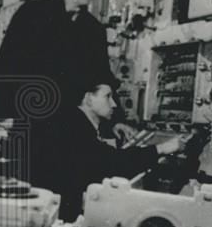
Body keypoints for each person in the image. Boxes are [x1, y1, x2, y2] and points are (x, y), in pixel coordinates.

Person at [0, 0, 136, 198]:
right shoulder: (32, 14)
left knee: (63, 192)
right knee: (26, 193)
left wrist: (117, 117)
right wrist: (5, 115)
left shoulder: (94, 30)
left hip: (70, 128)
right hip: (30, 122)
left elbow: (102, 76)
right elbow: (7, 66)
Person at [70, 79, 182, 218]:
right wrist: (160, 149)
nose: (114, 104)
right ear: (88, 99)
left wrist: (113, 126)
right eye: (108, 96)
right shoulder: (76, 128)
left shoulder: (78, 121)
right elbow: (113, 162)